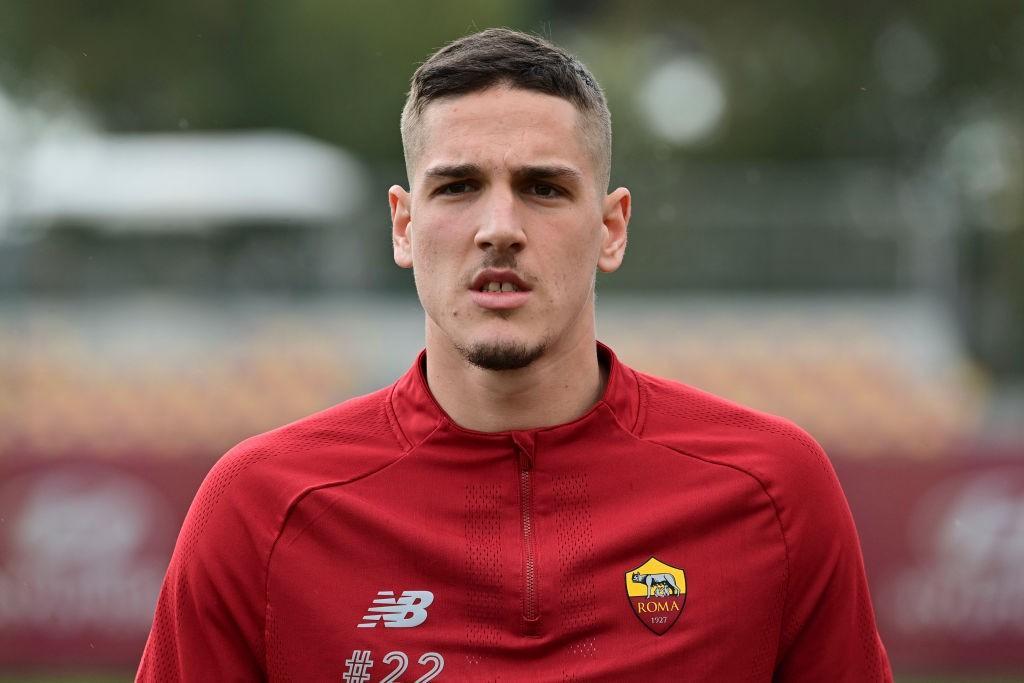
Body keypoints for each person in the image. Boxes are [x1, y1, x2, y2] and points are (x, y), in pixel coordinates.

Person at [137, 28, 892, 682]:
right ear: (403, 226)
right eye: (459, 186)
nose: (499, 226)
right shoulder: (260, 509)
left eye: (543, 188)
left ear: (612, 227)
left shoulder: (774, 491)